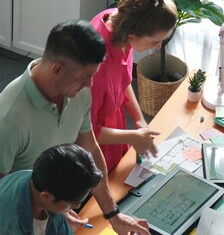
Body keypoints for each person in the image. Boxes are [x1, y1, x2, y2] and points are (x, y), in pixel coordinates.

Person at [0, 20, 151, 234]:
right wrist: (48, 208)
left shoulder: (78, 90)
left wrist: (113, 214)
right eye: (85, 77)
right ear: (58, 69)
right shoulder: (8, 118)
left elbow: (89, 150)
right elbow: (4, 196)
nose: (90, 85)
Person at [90, 0, 177, 171]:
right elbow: (85, 133)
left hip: (113, 122)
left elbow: (122, 82)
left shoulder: (118, 20)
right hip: (96, 139)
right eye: (154, 41)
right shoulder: (96, 67)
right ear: (133, 33)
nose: (158, 47)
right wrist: (133, 136)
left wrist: (138, 120)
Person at [0, 144, 102, 234]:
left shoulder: (46, 180)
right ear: (46, 196)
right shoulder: (9, 229)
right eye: (73, 202)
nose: (77, 206)